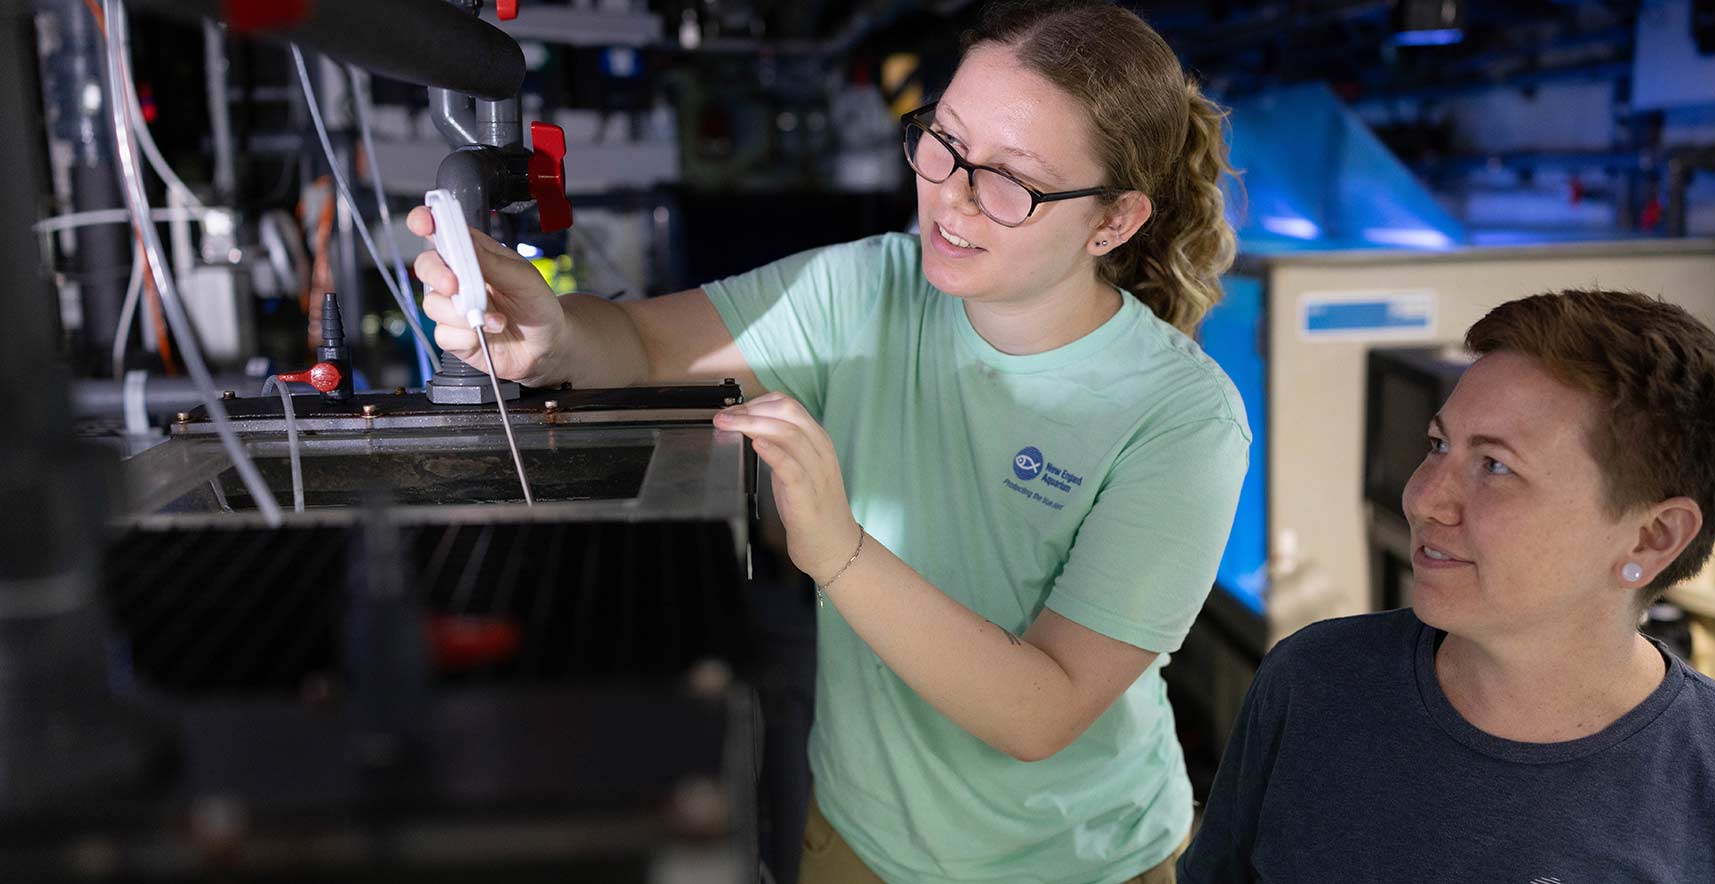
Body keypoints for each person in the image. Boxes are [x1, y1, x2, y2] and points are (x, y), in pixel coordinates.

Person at [408, 2, 1249, 881]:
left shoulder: (1182, 416)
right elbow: (647, 345)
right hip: (858, 840)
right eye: (944, 141)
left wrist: (838, 551)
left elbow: (1042, 711)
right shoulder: (873, 287)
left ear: (1112, 222)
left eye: (1011, 181)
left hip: (1081, 864)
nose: (951, 197)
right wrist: (545, 334)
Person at [1178, 289, 1715, 883]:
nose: (1425, 498)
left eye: (1494, 467)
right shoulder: (1311, 685)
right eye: (1438, 446)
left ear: (1651, 537)